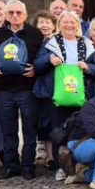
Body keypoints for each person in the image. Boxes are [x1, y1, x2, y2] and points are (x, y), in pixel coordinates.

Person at [35, 11, 95, 180]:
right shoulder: (51, 43)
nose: (69, 25)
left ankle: (79, 165)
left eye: (73, 22)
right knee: (58, 130)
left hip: (82, 96)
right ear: (59, 24)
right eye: (65, 22)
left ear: (78, 25)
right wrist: (49, 59)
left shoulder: (86, 43)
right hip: (58, 95)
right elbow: (37, 65)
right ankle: (61, 166)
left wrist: (87, 67)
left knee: (80, 130)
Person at [0, 0, 44, 180]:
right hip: (4, 90)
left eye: (18, 12)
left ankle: (28, 165)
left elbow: (41, 57)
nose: (15, 15)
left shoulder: (35, 34)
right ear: (6, 15)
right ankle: (11, 165)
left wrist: (35, 69)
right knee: (8, 130)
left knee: (29, 129)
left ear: (25, 14)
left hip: (27, 90)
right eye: (11, 12)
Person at [31, 11, 57, 167]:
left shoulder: (59, 40)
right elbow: (36, 64)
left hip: (59, 87)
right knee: (45, 123)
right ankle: (50, 157)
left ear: (54, 25)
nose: (45, 25)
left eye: (48, 22)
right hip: (42, 88)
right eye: (41, 22)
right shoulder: (34, 41)